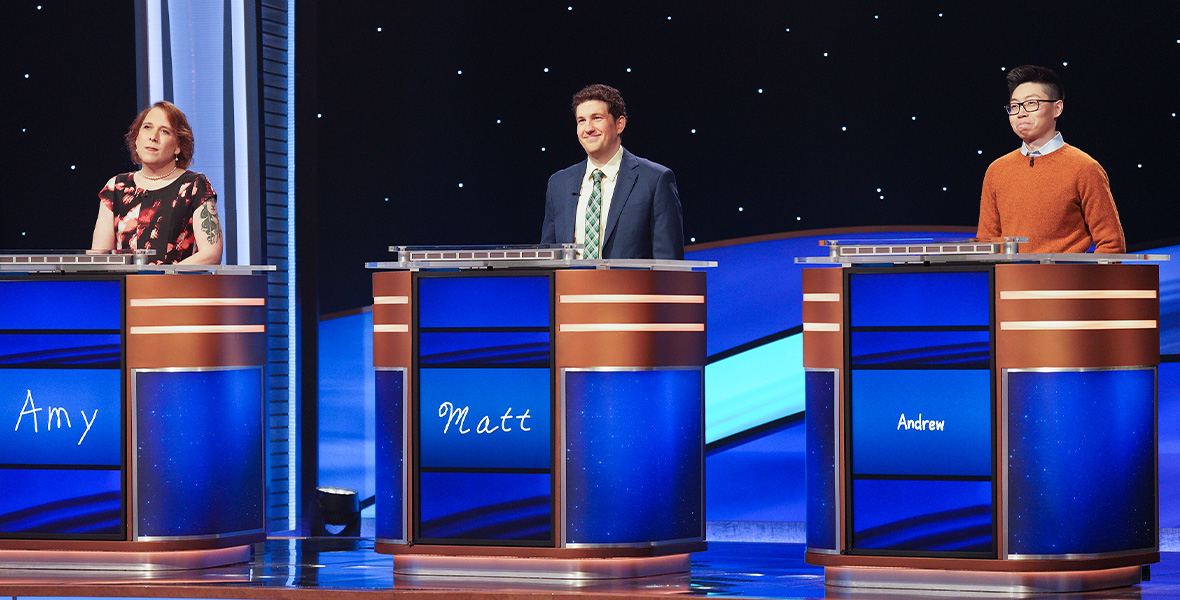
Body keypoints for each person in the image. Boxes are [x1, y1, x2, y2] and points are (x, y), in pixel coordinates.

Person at [977, 65, 1124, 253]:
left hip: (1066, 281)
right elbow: (986, 244)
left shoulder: (1084, 167)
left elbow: (1111, 244)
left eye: (1031, 103)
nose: (1020, 112)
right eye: (1014, 106)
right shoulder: (997, 170)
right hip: (1012, 282)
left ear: (1057, 108)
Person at [541, 84, 684, 259]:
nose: (588, 128)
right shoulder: (559, 184)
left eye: (597, 118)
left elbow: (668, 261)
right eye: (581, 120)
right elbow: (547, 258)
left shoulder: (655, 180)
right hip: (571, 286)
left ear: (619, 124)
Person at [91, 101, 223, 264]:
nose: (153, 137)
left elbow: (211, 254)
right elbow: (98, 257)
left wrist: (163, 279)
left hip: (176, 288)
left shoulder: (194, 185)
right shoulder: (116, 187)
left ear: (178, 146)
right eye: (147, 127)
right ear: (137, 138)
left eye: (164, 131)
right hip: (125, 288)